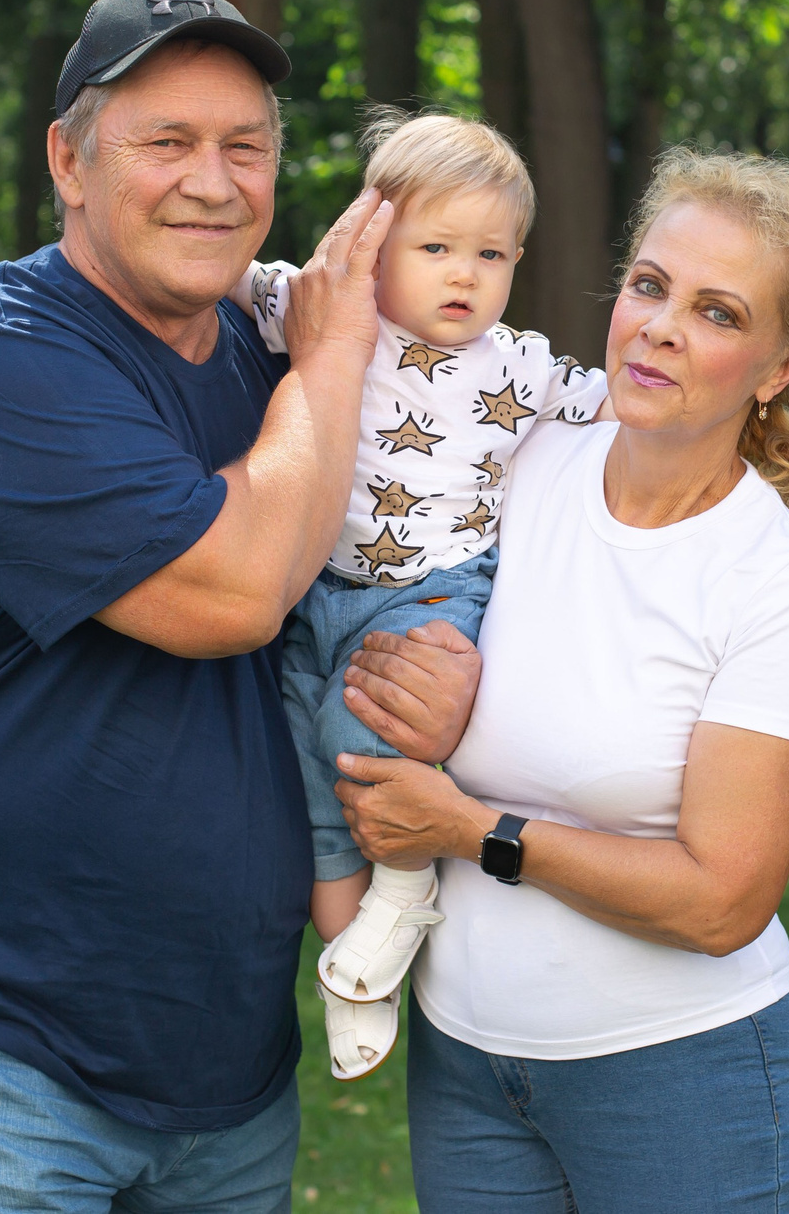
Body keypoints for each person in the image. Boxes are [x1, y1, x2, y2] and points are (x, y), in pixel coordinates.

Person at [0, 0, 479, 1214]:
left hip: (224, 1058)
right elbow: (233, 594)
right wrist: (338, 351)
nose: (213, 181)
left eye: (246, 147)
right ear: (68, 163)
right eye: (166, 142)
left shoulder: (267, 361)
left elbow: (373, 576)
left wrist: (432, 674)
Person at [336, 149, 789, 1214]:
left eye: (717, 313)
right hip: (466, 1071)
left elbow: (723, 902)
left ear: (780, 366)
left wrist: (473, 829)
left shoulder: (779, 578)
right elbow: (359, 599)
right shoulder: (513, 465)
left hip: (676, 1077)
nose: (662, 326)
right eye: (651, 285)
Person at [242, 110, 608, 1081]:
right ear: (372, 240)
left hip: (431, 594)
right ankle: (347, 972)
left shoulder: (518, 366)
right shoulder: (327, 314)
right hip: (317, 589)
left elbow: (619, 404)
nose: (462, 273)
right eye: (435, 246)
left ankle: (401, 900)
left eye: (490, 254)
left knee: (360, 741)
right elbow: (221, 279)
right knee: (305, 772)